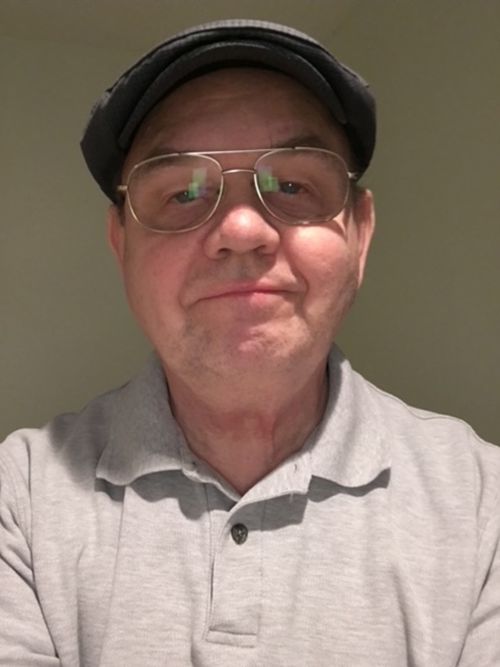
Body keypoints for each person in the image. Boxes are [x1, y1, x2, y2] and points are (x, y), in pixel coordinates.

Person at [0, 18, 499, 667]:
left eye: (293, 186)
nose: (241, 229)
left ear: (361, 235)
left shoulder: (484, 505)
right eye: (182, 192)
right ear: (121, 245)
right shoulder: (19, 500)